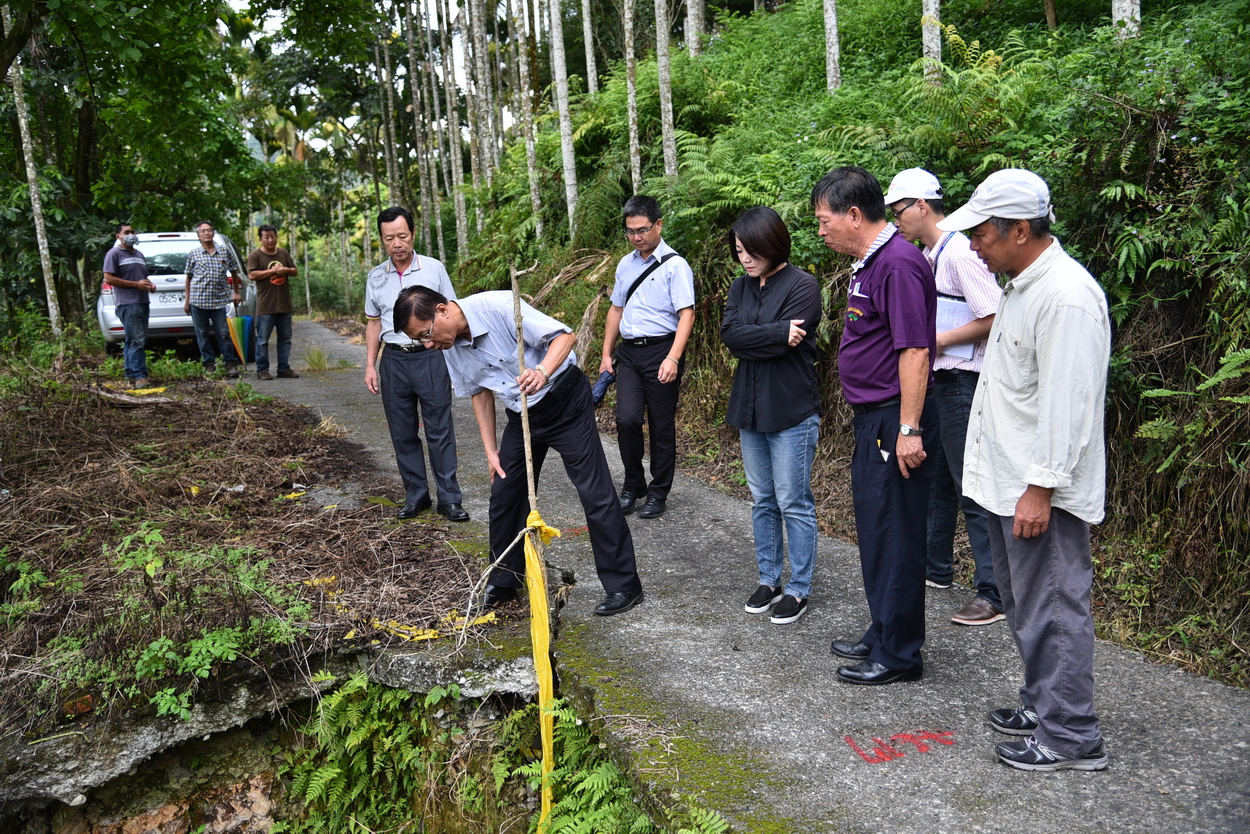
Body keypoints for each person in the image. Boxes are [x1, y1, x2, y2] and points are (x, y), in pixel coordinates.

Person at [938, 169, 1111, 772]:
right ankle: (1045, 704)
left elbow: (1070, 405)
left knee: (1055, 606)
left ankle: (1071, 736)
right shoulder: (1020, 287)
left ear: (1019, 228)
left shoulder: (1064, 296)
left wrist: (1040, 489)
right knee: (1026, 605)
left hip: (1039, 492)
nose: (975, 246)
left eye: (982, 234)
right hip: (1005, 484)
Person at [393, 286, 645, 617]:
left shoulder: (497, 307)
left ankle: (624, 585)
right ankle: (505, 580)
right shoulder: (448, 345)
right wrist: (490, 450)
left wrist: (542, 371)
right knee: (504, 492)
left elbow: (565, 338)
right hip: (523, 414)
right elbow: (478, 391)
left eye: (426, 334)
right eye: (420, 341)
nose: (428, 344)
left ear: (442, 311)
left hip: (564, 400)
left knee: (593, 491)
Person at [814, 166, 938, 686]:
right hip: (874, 419)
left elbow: (915, 349)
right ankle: (883, 630)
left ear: (854, 215)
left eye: (824, 221)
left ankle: (900, 654)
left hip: (895, 420)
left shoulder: (899, 265)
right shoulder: (872, 262)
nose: (820, 232)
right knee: (875, 530)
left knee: (895, 534)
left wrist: (909, 429)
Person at [884, 168, 1005, 627]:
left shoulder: (958, 251)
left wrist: (933, 342)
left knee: (969, 484)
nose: (896, 221)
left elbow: (996, 315)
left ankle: (993, 592)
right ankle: (937, 569)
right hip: (940, 383)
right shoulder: (933, 253)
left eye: (898, 212)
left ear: (920, 206)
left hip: (963, 383)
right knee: (937, 481)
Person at [720, 207, 822, 625]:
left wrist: (765, 339)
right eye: (739, 251)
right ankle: (769, 578)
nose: (744, 258)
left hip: (792, 410)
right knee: (762, 500)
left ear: (773, 243)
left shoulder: (804, 285)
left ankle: (798, 588)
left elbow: (781, 345)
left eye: (752, 250)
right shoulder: (739, 288)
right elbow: (731, 337)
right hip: (750, 408)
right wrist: (778, 332)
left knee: (792, 501)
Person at [364, 206, 468, 522]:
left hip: (431, 356)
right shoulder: (375, 277)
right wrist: (370, 364)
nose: (397, 244)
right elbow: (372, 323)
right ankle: (416, 496)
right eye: (389, 238)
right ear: (382, 240)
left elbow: (451, 313)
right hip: (393, 362)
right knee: (402, 432)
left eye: (402, 236)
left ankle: (449, 499)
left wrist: (454, 360)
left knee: (439, 429)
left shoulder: (434, 269)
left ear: (413, 234)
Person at [600, 195, 696, 519]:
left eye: (642, 230)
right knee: (626, 419)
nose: (636, 237)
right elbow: (616, 309)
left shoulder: (675, 265)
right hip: (629, 353)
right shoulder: (625, 264)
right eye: (630, 231)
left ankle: (659, 491)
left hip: (661, 351)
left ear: (658, 225)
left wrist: (673, 357)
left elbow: (687, 315)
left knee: (661, 425)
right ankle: (633, 484)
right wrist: (605, 355)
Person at [183, 221, 243, 377]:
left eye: (209, 230)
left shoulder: (224, 252)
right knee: (202, 334)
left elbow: (234, 272)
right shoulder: (193, 253)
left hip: (218, 301)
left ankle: (230, 364)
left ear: (213, 232)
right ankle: (209, 364)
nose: (206, 233)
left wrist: (236, 293)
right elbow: (188, 278)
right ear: (198, 235)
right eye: (203, 231)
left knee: (223, 332)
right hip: (198, 301)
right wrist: (187, 300)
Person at [103, 222, 156, 388]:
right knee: (137, 341)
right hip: (128, 303)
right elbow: (109, 278)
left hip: (142, 301)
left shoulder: (139, 254)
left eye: (132, 231)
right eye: (126, 232)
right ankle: (141, 377)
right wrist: (135, 285)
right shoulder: (114, 254)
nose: (131, 234)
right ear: (118, 236)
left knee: (132, 340)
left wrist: (149, 285)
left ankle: (131, 375)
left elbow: (141, 277)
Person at [246, 224, 300, 381]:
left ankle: (283, 368)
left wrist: (286, 270)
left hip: (284, 304)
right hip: (266, 306)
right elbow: (252, 275)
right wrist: (273, 271)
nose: (270, 240)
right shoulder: (255, 255)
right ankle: (262, 370)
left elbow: (294, 271)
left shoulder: (283, 253)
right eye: (266, 237)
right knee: (263, 340)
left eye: (273, 236)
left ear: (276, 237)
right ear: (260, 239)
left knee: (285, 339)